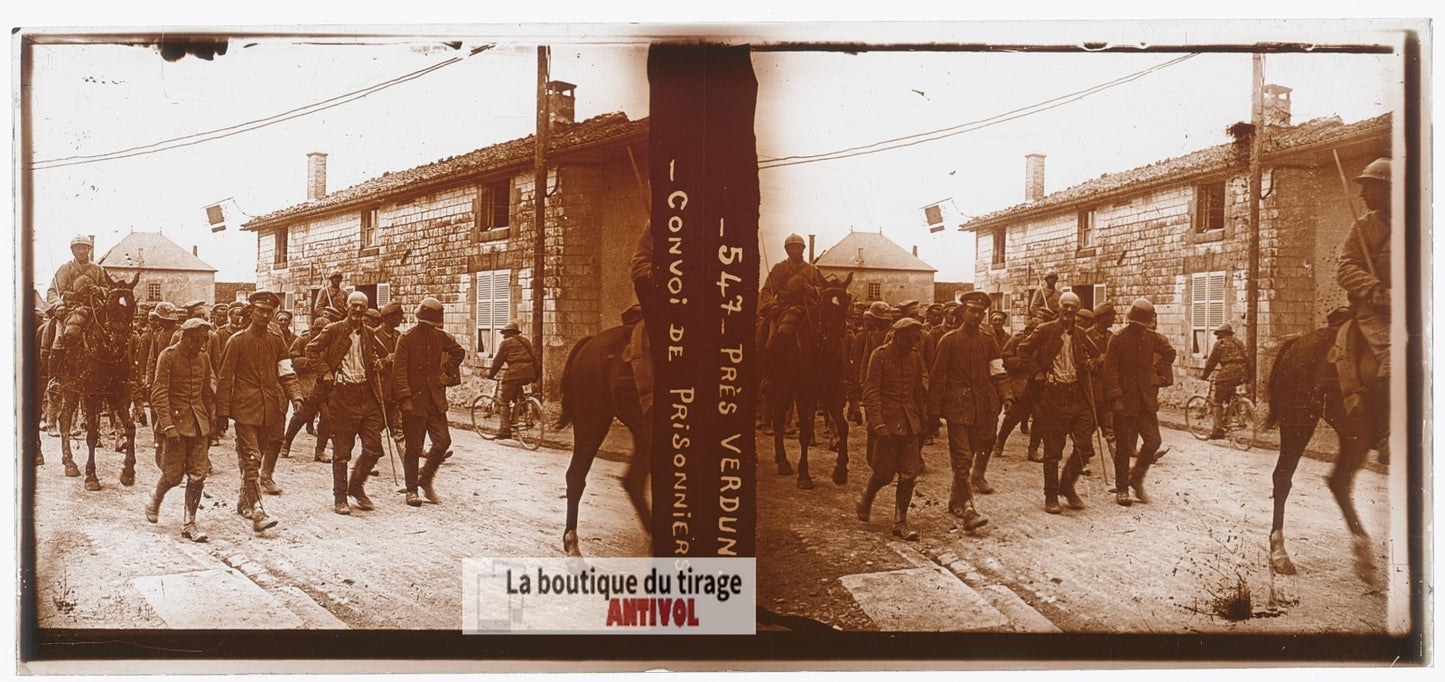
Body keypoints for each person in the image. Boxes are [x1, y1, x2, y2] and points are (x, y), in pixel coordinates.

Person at [215, 291, 303, 532]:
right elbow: (225, 379)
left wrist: (295, 396)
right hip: (245, 410)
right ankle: (257, 510)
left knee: (255, 458)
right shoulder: (237, 341)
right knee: (252, 458)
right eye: (260, 310)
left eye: (269, 311)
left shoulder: (276, 341)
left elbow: (286, 372)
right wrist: (221, 413)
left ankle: (244, 502)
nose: (264, 315)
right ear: (251, 312)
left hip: (270, 410)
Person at [927, 292, 1010, 529]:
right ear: (963, 312)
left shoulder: (988, 340)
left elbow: (998, 371)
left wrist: (1007, 396)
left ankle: (955, 501)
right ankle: (968, 509)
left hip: (980, 408)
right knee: (963, 458)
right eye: (972, 311)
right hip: (957, 409)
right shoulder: (949, 341)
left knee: (968, 457)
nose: (976, 316)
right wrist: (933, 413)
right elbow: (936, 378)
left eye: (980, 312)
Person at [306, 291, 388, 515]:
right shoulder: (334, 330)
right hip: (342, 395)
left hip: (366, 395)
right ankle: (340, 497)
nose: (358, 310)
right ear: (347, 308)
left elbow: (382, 355)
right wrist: (324, 372)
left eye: (363, 306)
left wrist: (379, 362)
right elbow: (311, 350)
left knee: (374, 448)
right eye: (354, 305)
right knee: (342, 452)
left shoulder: (369, 333)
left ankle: (356, 487)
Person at [1018, 291, 1095, 514]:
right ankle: (1051, 495)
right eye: (1065, 306)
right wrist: (1038, 373)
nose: (1069, 310)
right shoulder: (1045, 330)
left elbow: (1090, 357)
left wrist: (1089, 364)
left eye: (1073, 307)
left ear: (1077, 310)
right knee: (1053, 450)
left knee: (1085, 447)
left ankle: (1067, 486)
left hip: (1077, 395)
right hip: (1053, 395)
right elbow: (1023, 351)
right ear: (1059, 308)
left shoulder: (1081, 333)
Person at [1335, 156, 1392, 449]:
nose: (1362, 195)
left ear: (1388, 189)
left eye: (1368, 188)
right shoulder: (1362, 228)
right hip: (1376, 311)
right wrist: (1378, 292)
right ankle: (1385, 434)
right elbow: (1344, 269)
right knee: (1393, 359)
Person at [857, 317, 928, 541]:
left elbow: (917, 391)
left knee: (909, 473)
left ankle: (900, 522)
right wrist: (878, 424)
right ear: (896, 337)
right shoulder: (879, 356)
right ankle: (867, 497)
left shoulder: (915, 357)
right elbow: (870, 392)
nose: (912, 345)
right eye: (907, 341)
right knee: (884, 474)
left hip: (909, 423)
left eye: (914, 341)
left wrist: (923, 421)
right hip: (886, 423)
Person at [1101, 298, 1176, 507]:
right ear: (1130, 321)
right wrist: (1115, 398)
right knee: (1124, 446)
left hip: (1145, 399)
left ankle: (1136, 478)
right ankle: (1122, 489)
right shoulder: (1118, 338)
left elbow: (1170, 352)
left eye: (1141, 325)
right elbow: (1110, 372)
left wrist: (1156, 371)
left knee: (1153, 441)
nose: (1138, 329)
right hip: (1124, 400)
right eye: (1135, 325)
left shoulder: (1152, 338)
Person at [146, 317, 216, 542]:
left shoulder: (203, 358)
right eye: (196, 341)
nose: (200, 345)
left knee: (198, 474)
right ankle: (156, 498)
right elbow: (159, 393)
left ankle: (189, 523)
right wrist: (167, 425)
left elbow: (205, 392)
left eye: (203, 341)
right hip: (174, 424)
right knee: (173, 475)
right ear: (185, 337)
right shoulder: (168, 357)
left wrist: (211, 420)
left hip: (198, 424)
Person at [392, 297, 466, 506]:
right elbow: (399, 372)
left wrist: (445, 372)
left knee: (443, 441)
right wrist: (404, 398)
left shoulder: (440, 337)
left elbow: (458, 353)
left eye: (432, 325)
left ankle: (424, 479)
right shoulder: (406, 339)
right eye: (426, 324)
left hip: (434, 399)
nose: (429, 328)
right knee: (414, 447)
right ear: (420, 320)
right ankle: (411, 489)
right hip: (414, 400)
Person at [281, 309, 337, 462]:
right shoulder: (302, 339)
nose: (321, 334)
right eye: (318, 330)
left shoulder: (331, 342)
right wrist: (311, 363)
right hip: (306, 385)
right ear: (313, 329)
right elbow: (291, 358)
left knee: (327, 417)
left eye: (324, 331)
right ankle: (286, 444)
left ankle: (320, 451)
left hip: (323, 386)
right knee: (301, 416)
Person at [758, 234, 825, 347]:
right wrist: (773, 305)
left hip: (808, 309)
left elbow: (823, 289)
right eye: (791, 248)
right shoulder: (779, 268)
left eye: (798, 247)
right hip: (783, 309)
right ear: (787, 250)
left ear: (803, 249)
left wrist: (813, 290)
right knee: (771, 338)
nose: (795, 251)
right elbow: (766, 291)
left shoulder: (812, 270)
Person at [992, 316, 1042, 462]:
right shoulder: (1016, 340)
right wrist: (1023, 364)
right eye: (1033, 331)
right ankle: (999, 443)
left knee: (1040, 418)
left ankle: (1033, 450)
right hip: (1021, 384)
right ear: (1027, 331)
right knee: (1014, 416)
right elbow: (1005, 358)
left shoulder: (1046, 342)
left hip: (1039, 384)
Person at [1200, 322, 1253, 439]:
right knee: (1229, 395)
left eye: (1218, 334)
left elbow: (1211, 362)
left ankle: (1217, 431)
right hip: (1242, 372)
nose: (1217, 336)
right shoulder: (1239, 343)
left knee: (1217, 401)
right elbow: (1248, 359)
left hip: (1228, 372)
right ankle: (1230, 417)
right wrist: (1249, 376)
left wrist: (1204, 375)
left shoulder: (1220, 344)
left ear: (1223, 334)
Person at [488, 320, 538, 440]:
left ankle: (505, 429)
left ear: (508, 333)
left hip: (514, 374)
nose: (504, 335)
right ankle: (515, 420)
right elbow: (534, 357)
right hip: (529, 373)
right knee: (517, 398)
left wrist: (491, 374)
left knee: (503, 401)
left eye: (504, 333)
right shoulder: (526, 341)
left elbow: (498, 361)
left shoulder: (506, 343)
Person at [47, 234, 109, 305]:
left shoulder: (98, 269)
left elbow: (108, 289)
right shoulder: (65, 268)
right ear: (73, 251)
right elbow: (52, 292)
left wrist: (100, 290)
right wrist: (58, 304)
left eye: (84, 248)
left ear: (89, 249)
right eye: (78, 248)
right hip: (70, 308)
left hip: (94, 308)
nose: (81, 251)